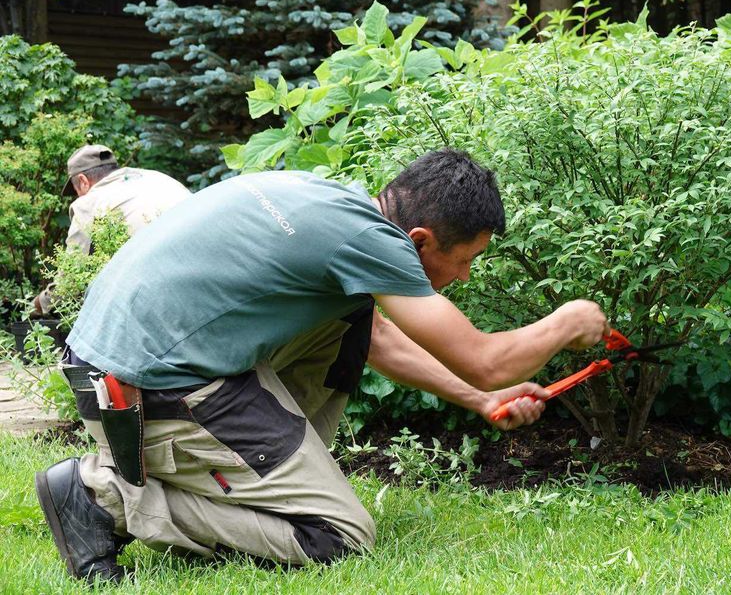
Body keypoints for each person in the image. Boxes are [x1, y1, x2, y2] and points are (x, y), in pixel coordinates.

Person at [34, 148, 609, 583]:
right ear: (419, 238)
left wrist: (481, 402)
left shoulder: (325, 200)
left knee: (354, 320)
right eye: (464, 262)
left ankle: (254, 477)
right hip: (147, 387)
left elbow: (380, 339)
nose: (463, 278)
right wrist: (567, 322)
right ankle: (101, 497)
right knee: (337, 536)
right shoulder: (370, 242)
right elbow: (487, 361)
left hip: (123, 361)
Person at [31, 144, 191, 316]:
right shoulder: (159, 178)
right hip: (199, 265)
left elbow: (71, 282)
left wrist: (38, 304)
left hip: (157, 292)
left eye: (77, 190)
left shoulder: (90, 202)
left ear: (83, 181)